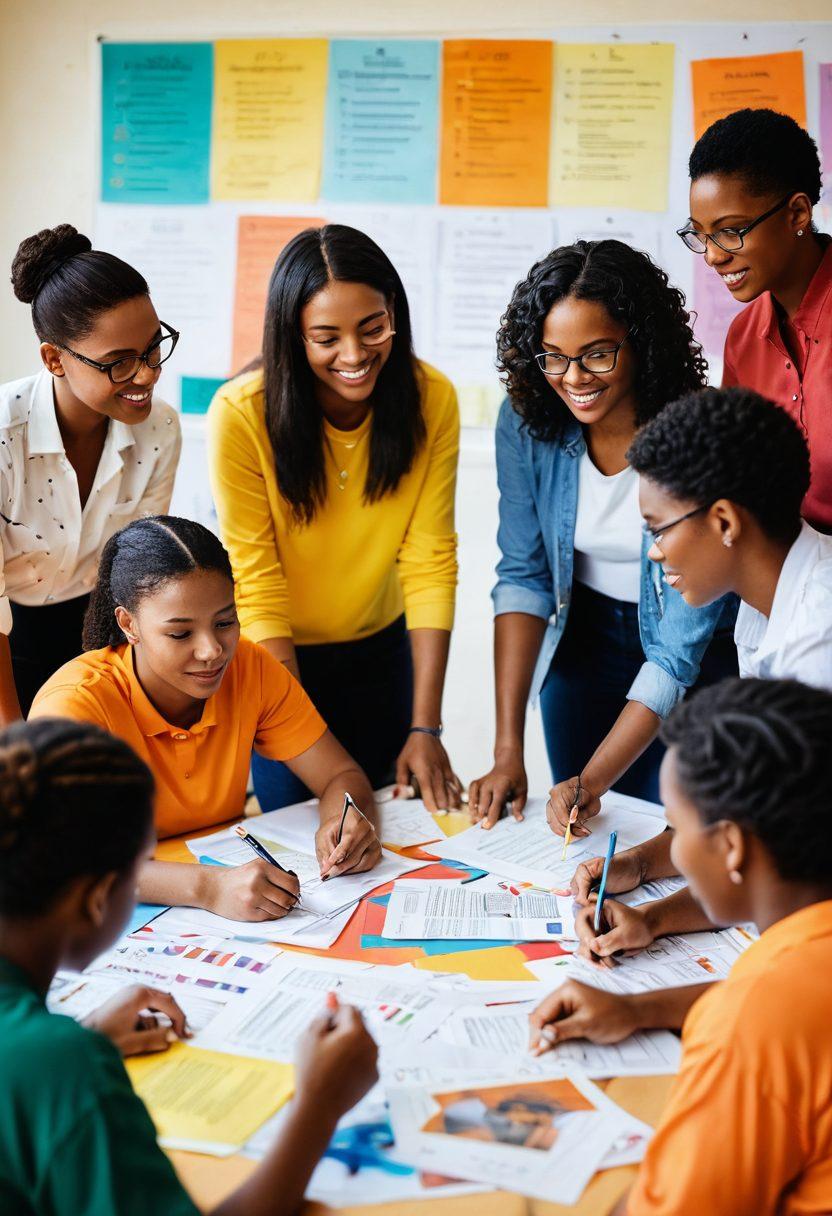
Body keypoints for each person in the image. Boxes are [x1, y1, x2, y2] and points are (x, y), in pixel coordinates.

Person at [0, 715, 378, 1216]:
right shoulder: (66, 1069)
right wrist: (319, 1105)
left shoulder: (49, 1058)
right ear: (97, 900)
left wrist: (82, 1039)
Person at [529, 677, 832, 1216]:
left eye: (677, 826)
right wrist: (638, 1008)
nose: (674, 851)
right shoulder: (794, 974)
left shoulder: (753, 1027)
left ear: (731, 846)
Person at [469, 239, 736, 827]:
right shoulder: (525, 420)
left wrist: (593, 780)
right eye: (553, 357)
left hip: (696, 654)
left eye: (596, 354)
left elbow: (676, 649)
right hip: (580, 643)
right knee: (585, 834)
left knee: (681, 837)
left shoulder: (700, 429)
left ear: (640, 342)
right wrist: (507, 749)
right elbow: (524, 576)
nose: (573, 378)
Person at [568, 385, 832, 961]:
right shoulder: (761, 609)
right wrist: (640, 871)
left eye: (659, 529)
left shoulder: (819, 646)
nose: (656, 554)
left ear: (724, 522)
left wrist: (643, 995)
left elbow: (782, 864)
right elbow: (749, 820)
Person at [208, 224, 461, 814]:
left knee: (396, 834)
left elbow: (429, 562)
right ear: (293, 337)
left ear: (393, 311)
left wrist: (426, 728)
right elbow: (257, 582)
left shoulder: (432, 399)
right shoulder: (241, 415)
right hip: (278, 661)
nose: (354, 356)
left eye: (372, 328)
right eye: (326, 337)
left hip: (383, 656)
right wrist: (308, 744)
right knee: (303, 842)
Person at [29, 516, 380, 919]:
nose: (213, 650)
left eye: (225, 622)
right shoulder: (74, 706)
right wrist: (207, 888)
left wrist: (345, 820)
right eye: (180, 634)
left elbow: (340, 775)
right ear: (129, 624)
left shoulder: (251, 667)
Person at [0, 224, 181, 720]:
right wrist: (13, 734)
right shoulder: (4, 437)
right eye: (118, 363)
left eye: (151, 348)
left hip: (94, 628)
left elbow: (135, 567)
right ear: (55, 359)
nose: (146, 374)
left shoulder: (159, 427)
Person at [682, 107, 832, 530]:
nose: (713, 255)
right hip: (784, 576)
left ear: (797, 213)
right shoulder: (744, 337)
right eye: (700, 234)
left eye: (731, 230)